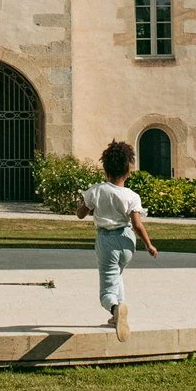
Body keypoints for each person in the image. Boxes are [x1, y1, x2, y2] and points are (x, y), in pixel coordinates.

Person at [75, 139, 158, 341]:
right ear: (128, 171)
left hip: (107, 241)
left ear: (105, 170)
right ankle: (118, 317)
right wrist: (149, 245)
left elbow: (80, 213)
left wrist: (83, 203)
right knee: (118, 275)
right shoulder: (132, 196)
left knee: (106, 290)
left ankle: (114, 307)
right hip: (128, 241)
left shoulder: (97, 190)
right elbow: (138, 224)